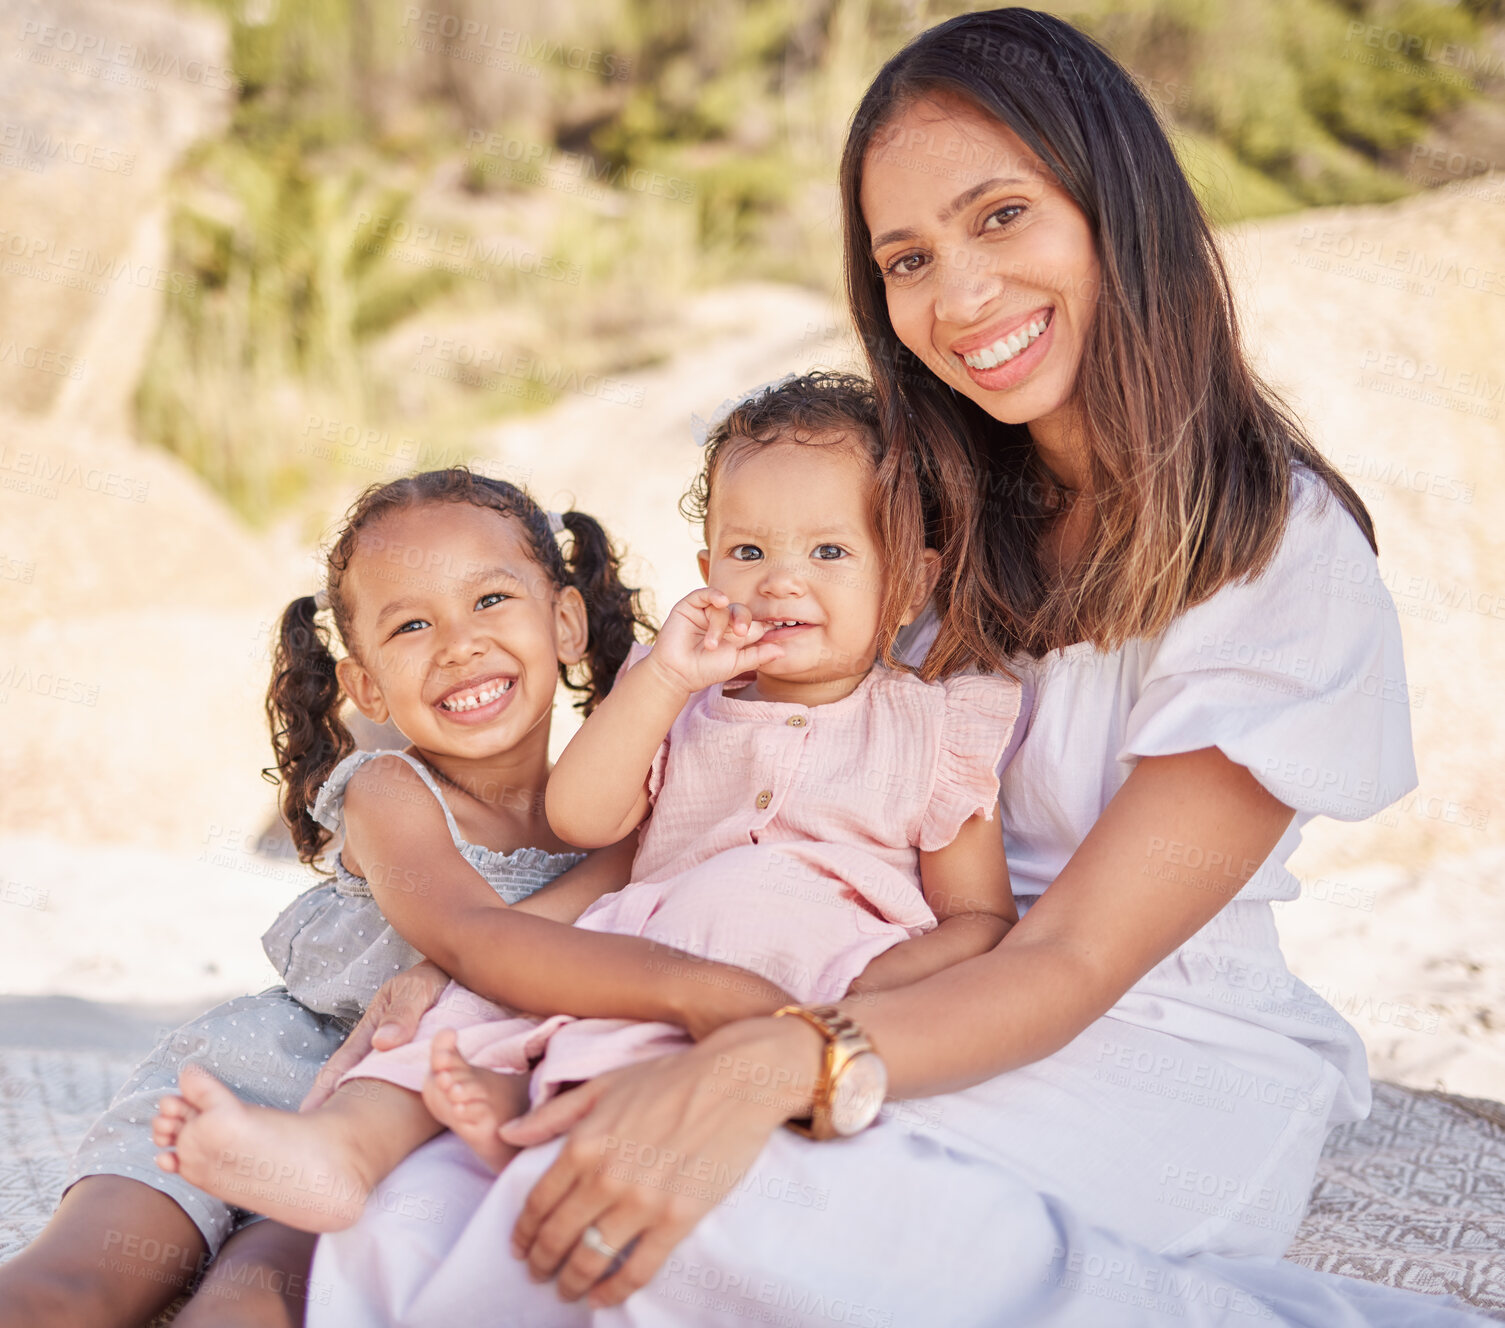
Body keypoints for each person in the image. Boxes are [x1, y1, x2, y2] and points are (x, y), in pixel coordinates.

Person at [306, 10, 1491, 1326]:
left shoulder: (1276, 552)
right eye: (908, 258)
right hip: (854, 963)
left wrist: (775, 1063)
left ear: (1117, 206)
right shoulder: (905, 522)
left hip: (1137, 1042)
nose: (960, 296)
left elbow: (1070, 963)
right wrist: (493, 957)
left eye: (1000, 218)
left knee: (707, 1208)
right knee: (419, 1214)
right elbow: (698, 817)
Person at [149, 371, 1023, 1246]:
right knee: (456, 1013)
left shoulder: (940, 725)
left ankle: (518, 1116)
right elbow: (588, 825)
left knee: (598, 1051)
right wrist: (667, 681)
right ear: (707, 571)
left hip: (811, 973)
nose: (781, 584)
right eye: (748, 554)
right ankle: (343, 1152)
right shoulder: (680, 703)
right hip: (646, 955)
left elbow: (978, 916)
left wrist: (864, 990)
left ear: (908, 581)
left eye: (829, 554)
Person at [0, 467, 777, 1327]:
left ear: (563, 620)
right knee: (73, 1286)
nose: (458, 644)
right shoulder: (389, 792)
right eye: (411, 625)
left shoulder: (618, 811)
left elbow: (613, 880)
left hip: (390, 1129)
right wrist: (710, 997)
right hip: (262, 1076)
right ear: (366, 685)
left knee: (255, 1298)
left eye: (489, 601)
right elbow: (474, 940)